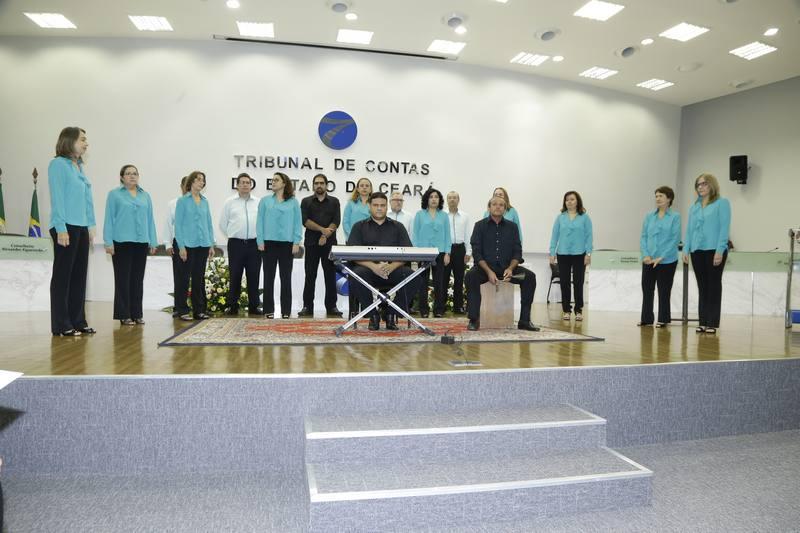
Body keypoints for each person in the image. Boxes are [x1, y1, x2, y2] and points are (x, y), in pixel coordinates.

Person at [346, 192, 421, 331]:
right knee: (356, 276)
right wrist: (373, 266)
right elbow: (352, 254)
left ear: (387, 207)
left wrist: (392, 266)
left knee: (414, 278)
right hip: (367, 270)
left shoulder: (398, 227)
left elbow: (407, 252)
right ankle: (372, 314)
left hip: (392, 269)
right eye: (376, 205)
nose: (379, 208)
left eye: (382, 205)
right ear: (369, 207)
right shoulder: (359, 227)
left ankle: (391, 313)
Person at [48, 126, 97, 337]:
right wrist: (61, 228)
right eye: (82, 139)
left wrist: (90, 226)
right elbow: (57, 198)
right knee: (63, 277)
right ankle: (61, 324)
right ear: (70, 141)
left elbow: (86, 200)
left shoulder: (78, 167)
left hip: (81, 226)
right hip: (65, 227)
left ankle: (78, 321)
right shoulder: (58, 165)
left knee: (79, 276)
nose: (86, 143)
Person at [466, 195, 538, 331]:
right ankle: (474, 319)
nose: (498, 207)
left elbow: (517, 251)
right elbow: (477, 252)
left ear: (505, 209)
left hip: (508, 271)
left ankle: (524, 320)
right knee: (471, 276)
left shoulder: (512, 227)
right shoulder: (479, 226)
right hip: (484, 270)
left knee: (529, 277)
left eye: (501, 205)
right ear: (489, 208)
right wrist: (489, 271)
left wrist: (511, 268)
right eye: (494, 204)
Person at [103, 164, 158, 326]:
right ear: (122, 177)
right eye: (128, 173)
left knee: (137, 279)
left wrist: (153, 241)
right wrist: (108, 242)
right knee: (123, 279)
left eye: (135, 173)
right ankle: (124, 314)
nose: (132, 176)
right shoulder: (114, 195)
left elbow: (150, 219)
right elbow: (109, 218)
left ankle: (136, 313)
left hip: (141, 242)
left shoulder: (145, 196)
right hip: (121, 242)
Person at [684, 173, 731, 334]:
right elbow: (689, 230)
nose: (700, 187)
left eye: (704, 184)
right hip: (697, 250)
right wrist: (686, 249)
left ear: (712, 185)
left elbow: (724, 228)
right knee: (702, 286)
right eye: (698, 185)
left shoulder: (722, 203)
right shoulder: (694, 207)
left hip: (714, 250)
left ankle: (712, 322)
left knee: (713, 286)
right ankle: (703, 321)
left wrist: (720, 250)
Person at [257, 172, 302, 319]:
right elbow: (259, 222)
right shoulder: (265, 201)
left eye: (276, 180)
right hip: (268, 244)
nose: (273, 182)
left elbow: (297, 223)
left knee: (285, 278)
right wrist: (260, 241)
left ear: (284, 183)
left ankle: (286, 311)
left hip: (287, 245)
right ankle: (268, 310)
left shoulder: (293, 202)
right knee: (268, 277)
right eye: (272, 180)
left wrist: (296, 241)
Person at [298, 173, 342, 318]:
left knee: (330, 276)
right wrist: (322, 230)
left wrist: (325, 235)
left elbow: (336, 221)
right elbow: (305, 221)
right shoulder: (306, 201)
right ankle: (307, 307)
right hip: (311, 244)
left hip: (329, 244)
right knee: (310, 275)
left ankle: (332, 307)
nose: (319, 185)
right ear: (313, 185)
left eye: (321, 183)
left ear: (326, 185)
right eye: (316, 183)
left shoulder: (334, 201)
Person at [175, 171, 215, 321]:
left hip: (203, 244)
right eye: (198, 179)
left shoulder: (205, 202)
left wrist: (211, 244)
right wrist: (181, 246)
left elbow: (208, 224)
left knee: (199, 279)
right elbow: (178, 226)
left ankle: (199, 311)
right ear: (191, 182)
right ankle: (182, 310)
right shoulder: (182, 201)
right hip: (187, 245)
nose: (201, 182)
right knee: (184, 279)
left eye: (203, 180)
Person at [638, 186, 681, 328]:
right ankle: (646, 319)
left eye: (661, 196)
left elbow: (675, 239)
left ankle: (663, 318)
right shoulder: (649, 216)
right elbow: (644, 237)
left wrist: (662, 256)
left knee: (664, 290)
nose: (658, 198)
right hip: (649, 260)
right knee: (647, 289)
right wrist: (646, 255)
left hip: (667, 260)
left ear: (669, 199)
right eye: (656, 196)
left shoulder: (675, 217)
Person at [219, 172, 261, 315]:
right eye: (242, 182)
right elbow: (223, 224)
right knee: (235, 275)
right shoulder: (229, 202)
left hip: (254, 244)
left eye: (248, 183)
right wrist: (234, 234)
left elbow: (262, 223)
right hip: (236, 244)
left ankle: (254, 306)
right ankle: (232, 306)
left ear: (251, 185)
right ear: (237, 185)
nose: (245, 185)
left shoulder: (258, 202)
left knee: (254, 275)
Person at [549, 190, 593, 322]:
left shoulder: (585, 218)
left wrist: (588, 253)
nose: (569, 202)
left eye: (572, 199)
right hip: (562, 253)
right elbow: (554, 236)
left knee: (579, 282)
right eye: (567, 200)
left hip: (580, 254)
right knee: (565, 283)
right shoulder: (560, 217)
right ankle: (566, 310)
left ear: (577, 201)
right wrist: (552, 253)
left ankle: (578, 310)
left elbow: (589, 236)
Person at [412, 187, 451, 318]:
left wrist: (447, 253)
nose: (434, 199)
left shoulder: (444, 216)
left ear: (439, 200)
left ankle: (439, 309)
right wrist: (416, 252)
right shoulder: (419, 214)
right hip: (423, 252)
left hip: (440, 252)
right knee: (422, 282)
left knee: (439, 282)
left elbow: (448, 235)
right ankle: (423, 309)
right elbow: (415, 234)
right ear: (426, 199)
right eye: (431, 197)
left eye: (436, 197)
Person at [164, 176, 189, 318]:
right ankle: (180, 308)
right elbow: (168, 224)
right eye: (186, 184)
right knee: (180, 277)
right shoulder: (173, 203)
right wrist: (167, 243)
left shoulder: (201, 202)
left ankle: (199, 308)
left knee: (198, 278)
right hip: (179, 243)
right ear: (182, 186)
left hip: (197, 243)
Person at [443, 191, 472, 314]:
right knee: (443, 279)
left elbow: (468, 234)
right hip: (446, 250)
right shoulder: (442, 215)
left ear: (458, 200)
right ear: (447, 200)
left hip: (460, 249)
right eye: (450, 198)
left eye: (454, 198)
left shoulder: (465, 216)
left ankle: (458, 306)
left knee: (459, 279)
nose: (452, 200)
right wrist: (444, 251)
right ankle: (441, 306)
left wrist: (468, 251)